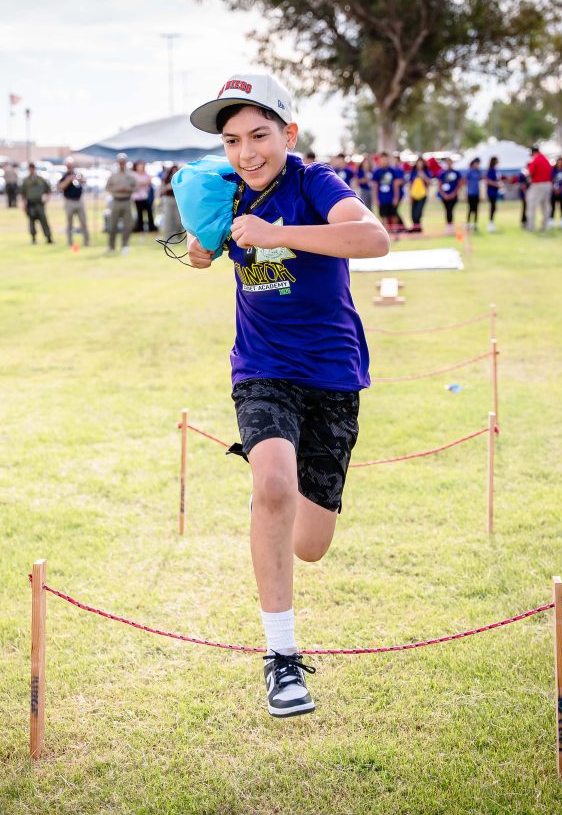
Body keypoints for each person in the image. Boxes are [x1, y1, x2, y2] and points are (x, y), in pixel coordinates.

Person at [186, 73, 389, 719]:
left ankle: (280, 495)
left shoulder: (312, 182)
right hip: (262, 367)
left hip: (331, 373)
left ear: (288, 133)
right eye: (232, 140)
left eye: (259, 135)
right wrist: (207, 220)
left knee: (311, 543)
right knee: (272, 483)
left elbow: (372, 238)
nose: (247, 152)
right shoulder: (230, 190)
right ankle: (281, 658)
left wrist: (277, 231)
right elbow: (197, 255)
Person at [105, 153, 137, 254]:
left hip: (127, 200)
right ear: (118, 163)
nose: (122, 164)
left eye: (123, 162)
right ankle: (111, 246)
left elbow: (136, 187)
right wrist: (117, 189)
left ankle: (125, 245)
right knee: (112, 224)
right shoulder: (113, 175)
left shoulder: (130, 175)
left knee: (127, 225)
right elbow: (108, 187)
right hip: (116, 200)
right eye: (120, 162)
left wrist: (128, 189)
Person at [58, 157, 89, 247]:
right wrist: (69, 179)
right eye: (68, 166)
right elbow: (61, 187)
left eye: (71, 165)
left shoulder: (78, 174)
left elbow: (84, 181)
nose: (70, 167)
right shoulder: (64, 176)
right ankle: (70, 242)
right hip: (69, 202)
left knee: (83, 222)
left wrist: (79, 179)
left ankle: (86, 241)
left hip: (79, 201)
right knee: (70, 224)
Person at [21, 163, 53, 244]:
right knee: (32, 222)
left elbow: (48, 190)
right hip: (31, 204)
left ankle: (48, 237)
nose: (31, 170)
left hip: (39, 204)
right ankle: (33, 239)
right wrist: (24, 205)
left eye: (32, 168)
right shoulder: (26, 181)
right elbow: (22, 194)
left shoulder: (40, 179)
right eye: (30, 168)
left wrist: (46, 200)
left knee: (44, 221)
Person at [372, 152, 404, 232]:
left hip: (391, 197)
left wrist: (396, 197)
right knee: (384, 216)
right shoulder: (377, 171)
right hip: (382, 198)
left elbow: (396, 185)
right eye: (382, 159)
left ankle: (395, 231)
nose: (384, 161)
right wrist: (376, 198)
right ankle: (386, 231)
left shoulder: (393, 170)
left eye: (385, 159)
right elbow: (375, 186)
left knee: (393, 214)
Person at [525, 145, 552, 231]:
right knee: (545, 206)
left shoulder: (536, 159)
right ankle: (545, 226)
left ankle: (531, 226)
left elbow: (530, 172)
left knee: (531, 206)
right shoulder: (546, 159)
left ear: (533, 152)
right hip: (547, 184)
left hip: (537, 184)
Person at [407, 156, 432, 232]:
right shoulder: (413, 172)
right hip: (414, 195)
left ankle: (418, 229)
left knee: (418, 213)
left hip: (422, 196)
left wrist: (423, 176)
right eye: (418, 162)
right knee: (413, 214)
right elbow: (410, 184)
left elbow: (429, 182)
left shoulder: (426, 172)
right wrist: (410, 195)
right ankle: (415, 228)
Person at [131, 161, 157, 233]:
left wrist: (143, 183)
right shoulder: (134, 175)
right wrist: (143, 183)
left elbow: (149, 183)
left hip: (147, 197)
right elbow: (134, 184)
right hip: (138, 198)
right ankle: (140, 228)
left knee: (149, 212)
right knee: (140, 213)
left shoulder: (146, 175)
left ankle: (152, 228)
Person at [437, 157, 461, 233]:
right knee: (447, 210)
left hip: (453, 195)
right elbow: (439, 185)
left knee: (450, 209)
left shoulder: (456, 173)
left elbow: (459, 184)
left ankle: (450, 225)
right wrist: (444, 195)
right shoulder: (442, 173)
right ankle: (448, 225)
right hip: (444, 195)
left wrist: (453, 194)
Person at [158, 164, 182, 240]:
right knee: (168, 219)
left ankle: (178, 236)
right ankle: (168, 238)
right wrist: (167, 187)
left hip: (177, 200)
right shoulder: (165, 179)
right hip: (168, 199)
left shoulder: (180, 179)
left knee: (178, 220)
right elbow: (161, 190)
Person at [464, 157, 482, 231]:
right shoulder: (470, 172)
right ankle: (468, 223)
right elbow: (465, 182)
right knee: (470, 208)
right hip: (470, 193)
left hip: (476, 193)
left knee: (476, 209)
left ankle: (475, 223)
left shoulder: (478, 172)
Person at [485, 156, 502, 233]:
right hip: (491, 192)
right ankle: (490, 223)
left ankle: (491, 222)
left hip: (495, 192)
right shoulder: (490, 170)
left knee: (494, 207)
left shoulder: (495, 170)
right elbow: (488, 180)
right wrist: (496, 184)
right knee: (493, 207)